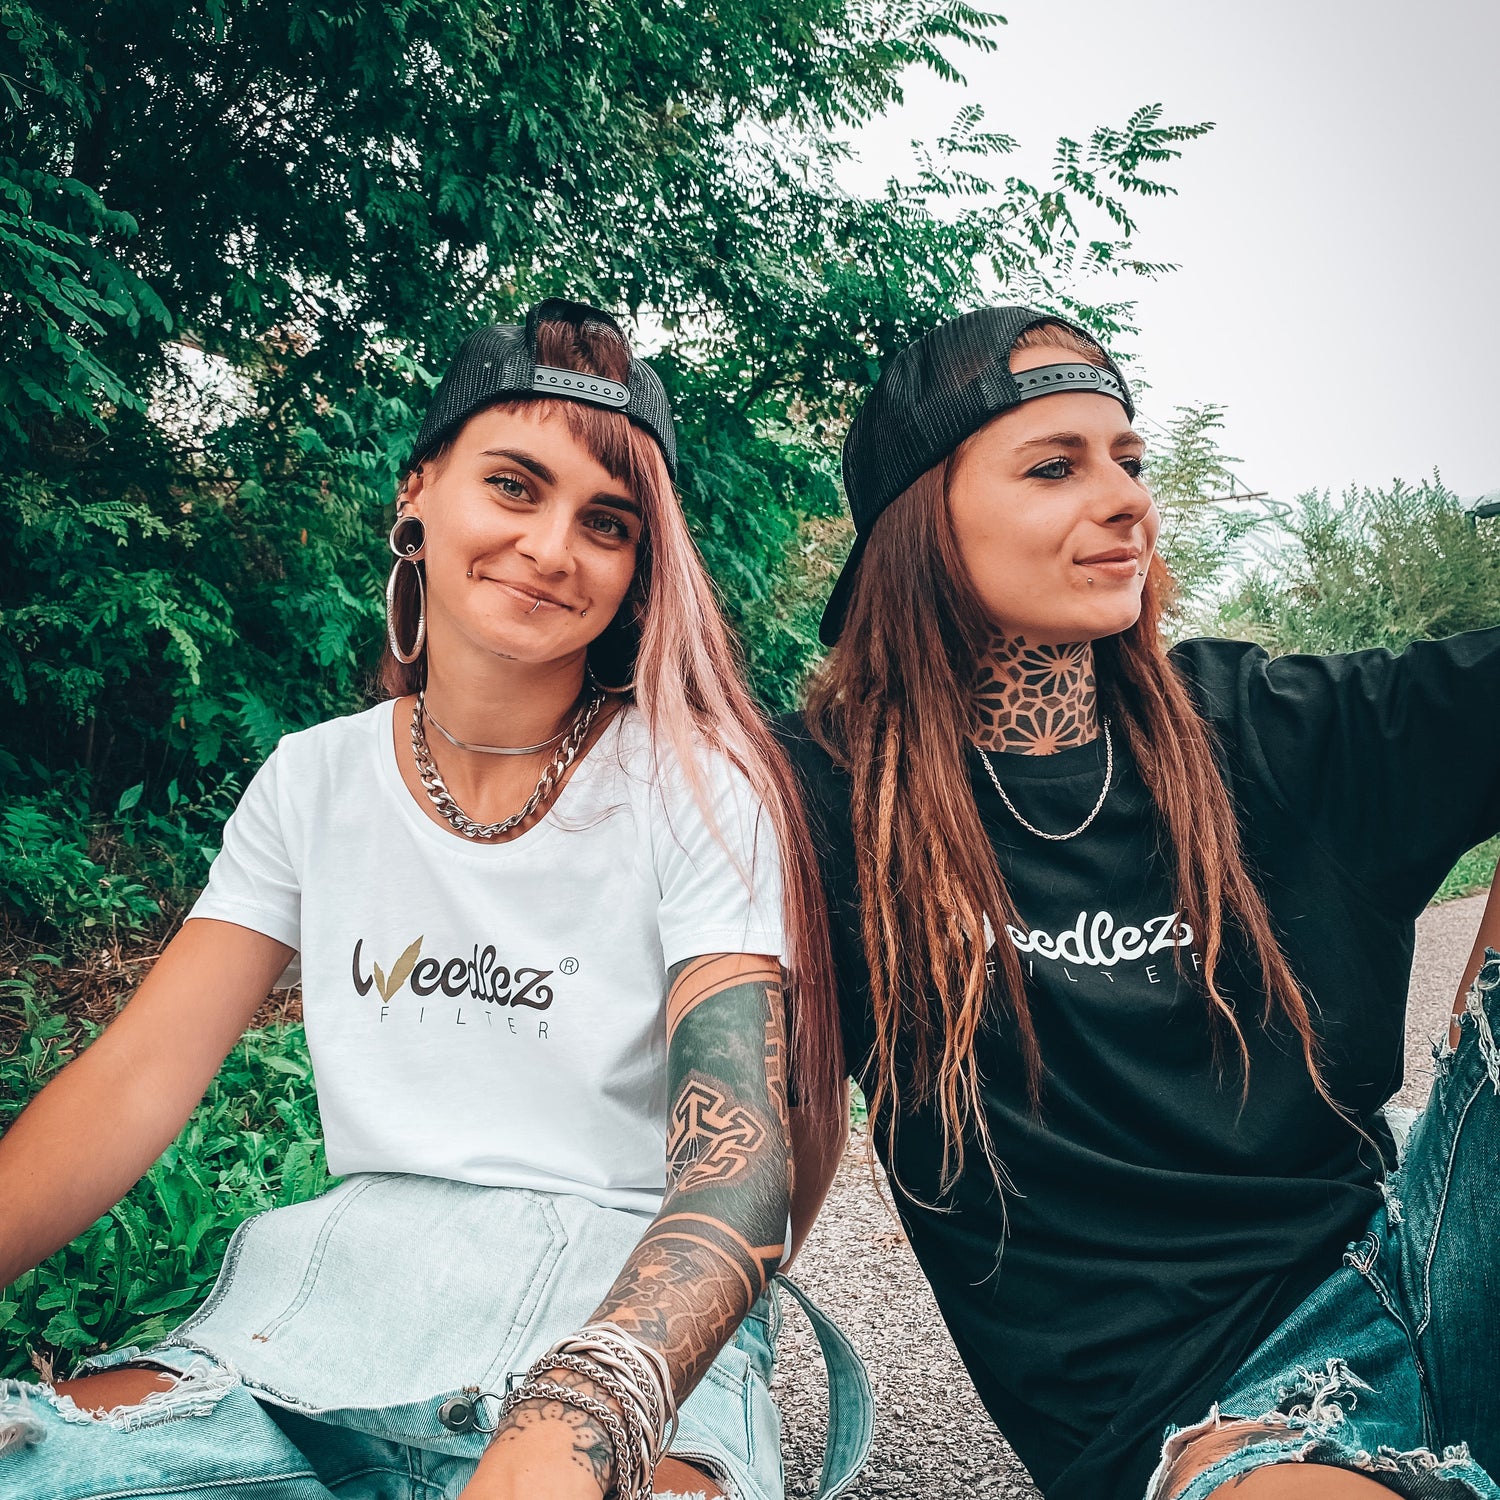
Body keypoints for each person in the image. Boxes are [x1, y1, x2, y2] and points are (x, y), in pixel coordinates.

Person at [0, 300, 870, 1500]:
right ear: (418, 493)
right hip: (321, 1313)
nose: (553, 548)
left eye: (607, 523)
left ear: (639, 570)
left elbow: (740, 1160)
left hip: (621, 1314)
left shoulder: (695, 785)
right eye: (514, 486)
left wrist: (593, 1402)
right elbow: (134, 1082)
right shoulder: (315, 780)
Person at [778, 305, 1500, 1500]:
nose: (1125, 500)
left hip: (1427, 1275)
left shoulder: (1262, 725)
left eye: (1129, 460)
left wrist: (1482, 1041)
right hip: (1213, 1414)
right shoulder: (820, 798)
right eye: (1055, 467)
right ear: (921, 522)